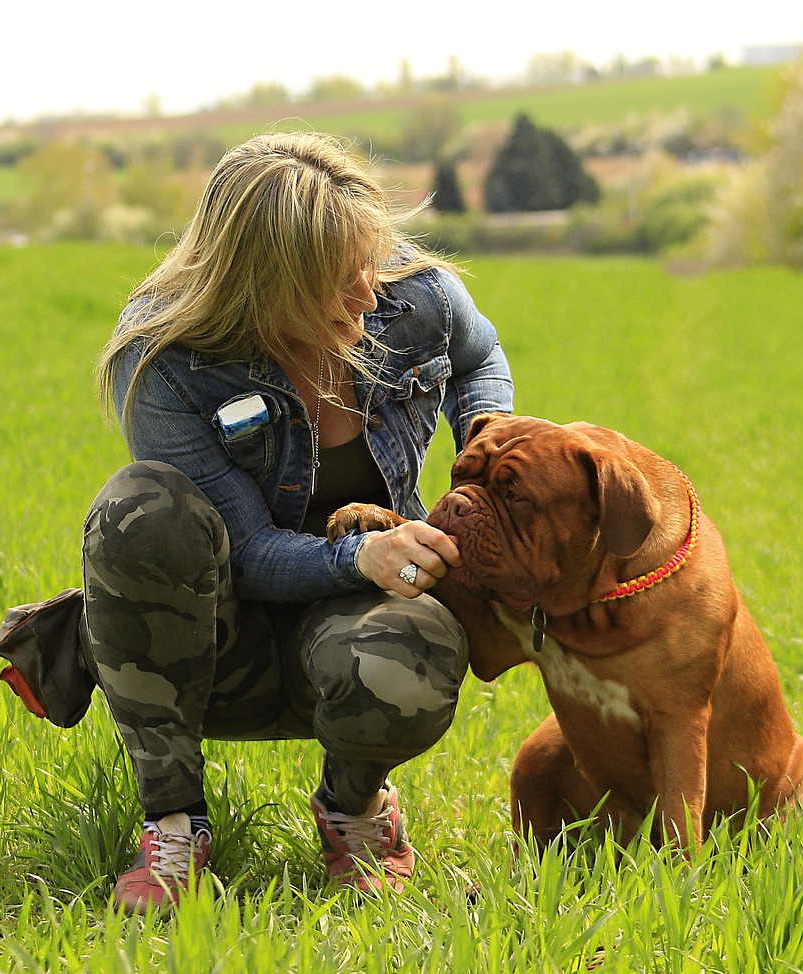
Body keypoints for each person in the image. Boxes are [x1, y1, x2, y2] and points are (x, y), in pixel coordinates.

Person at [83, 131, 513, 912]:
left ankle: (356, 813)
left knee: (411, 652)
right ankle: (175, 826)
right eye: (337, 277)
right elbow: (245, 549)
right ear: (263, 285)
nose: (368, 293)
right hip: (220, 633)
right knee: (140, 507)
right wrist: (359, 558)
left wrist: (486, 441)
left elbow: (480, 356)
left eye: (369, 261)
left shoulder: (414, 298)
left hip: (358, 619)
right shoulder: (169, 357)